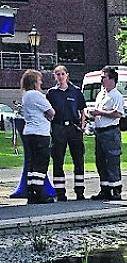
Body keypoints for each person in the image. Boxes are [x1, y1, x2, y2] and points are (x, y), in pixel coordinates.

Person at [46, 65, 86, 201]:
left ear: (67, 75)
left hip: (74, 128)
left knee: (79, 160)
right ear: (54, 76)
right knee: (58, 160)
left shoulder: (76, 91)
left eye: (62, 74)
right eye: (57, 74)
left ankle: (80, 191)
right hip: (58, 128)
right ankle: (60, 192)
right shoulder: (52, 93)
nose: (60, 77)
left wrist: (82, 125)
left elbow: (82, 111)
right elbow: (47, 111)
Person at [89, 66, 124, 200]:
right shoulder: (101, 94)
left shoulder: (116, 95)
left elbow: (118, 114)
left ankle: (116, 190)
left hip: (110, 132)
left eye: (104, 77)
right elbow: (99, 112)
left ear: (112, 79)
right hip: (99, 132)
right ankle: (105, 189)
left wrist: (99, 113)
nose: (101, 80)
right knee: (101, 161)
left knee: (112, 161)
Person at [20, 69, 55, 204]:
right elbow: (51, 112)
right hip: (40, 132)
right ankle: (38, 191)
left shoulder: (26, 95)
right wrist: (48, 116)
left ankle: (31, 191)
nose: (41, 82)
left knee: (32, 163)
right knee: (41, 163)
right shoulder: (36, 95)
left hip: (29, 132)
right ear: (34, 82)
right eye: (39, 80)